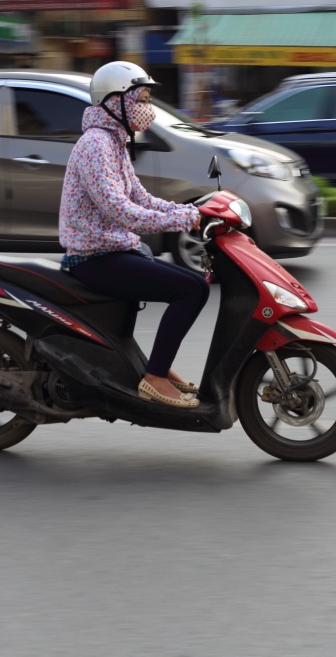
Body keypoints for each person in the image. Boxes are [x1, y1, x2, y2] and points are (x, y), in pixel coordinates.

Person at [59, 61, 209, 409]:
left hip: (112, 250)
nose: (147, 109)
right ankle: (155, 377)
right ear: (116, 102)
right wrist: (181, 220)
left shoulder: (114, 140)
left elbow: (140, 197)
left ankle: (155, 365)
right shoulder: (96, 145)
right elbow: (120, 210)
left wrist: (189, 210)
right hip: (94, 258)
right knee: (192, 289)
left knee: (190, 282)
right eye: (140, 99)